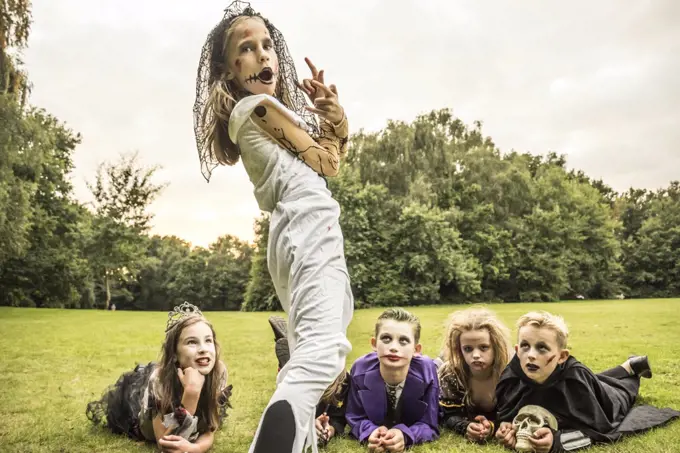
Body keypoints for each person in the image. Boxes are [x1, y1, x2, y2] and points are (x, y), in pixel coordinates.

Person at [193, 2, 353, 451]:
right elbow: (327, 161)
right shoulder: (257, 107)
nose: (263, 55)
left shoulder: (262, 112)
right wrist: (332, 125)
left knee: (312, 349)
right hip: (309, 224)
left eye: (267, 44)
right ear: (229, 70)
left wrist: (333, 113)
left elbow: (329, 158)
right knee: (323, 356)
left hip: (296, 229)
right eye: (248, 47)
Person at [495, 311, 680, 452]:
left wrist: (557, 441)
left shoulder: (576, 381)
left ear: (561, 357)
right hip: (584, 380)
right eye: (525, 346)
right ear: (517, 349)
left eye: (542, 348)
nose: (531, 356)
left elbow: (600, 429)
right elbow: (505, 411)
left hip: (605, 396)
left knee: (620, 391)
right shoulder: (511, 376)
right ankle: (628, 365)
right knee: (596, 379)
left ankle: (633, 369)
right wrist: (505, 425)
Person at [86, 302, 232, 452]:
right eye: (192, 342)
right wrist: (191, 393)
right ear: (174, 353)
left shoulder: (218, 372)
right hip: (150, 422)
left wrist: (196, 448)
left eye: (208, 340)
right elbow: (164, 442)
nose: (203, 349)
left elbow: (210, 429)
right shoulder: (159, 381)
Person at [345, 308, 439, 452]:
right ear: (374, 344)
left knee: (440, 364)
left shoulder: (427, 371)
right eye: (386, 339)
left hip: (428, 368)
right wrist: (371, 432)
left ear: (416, 349)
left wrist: (406, 435)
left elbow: (430, 423)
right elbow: (355, 416)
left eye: (403, 340)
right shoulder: (360, 369)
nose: (394, 347)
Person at [437, 307, 511, 443]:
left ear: (496, 346)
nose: (476, 355)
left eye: (483, 347)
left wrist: (492, 427)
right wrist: (465, 427)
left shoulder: (509, 374)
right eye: (468, 349)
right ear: (459, 350)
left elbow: (512, 414)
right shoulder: (451, 374)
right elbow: (449, 415)